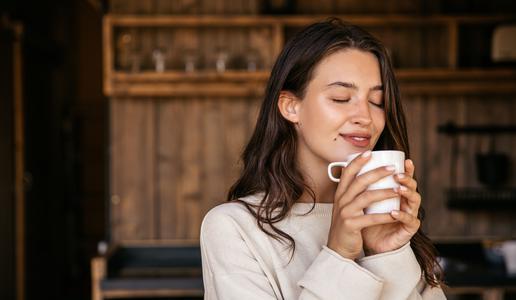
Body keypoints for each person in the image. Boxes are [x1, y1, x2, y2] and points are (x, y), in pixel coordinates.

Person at [200, 18, 447, 299]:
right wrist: (339, 254)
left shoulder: (387, 221)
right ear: (291, 107)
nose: (365, 117)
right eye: (342, 98)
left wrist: (387, 253)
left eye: (377, 102)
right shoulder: (235, 227)